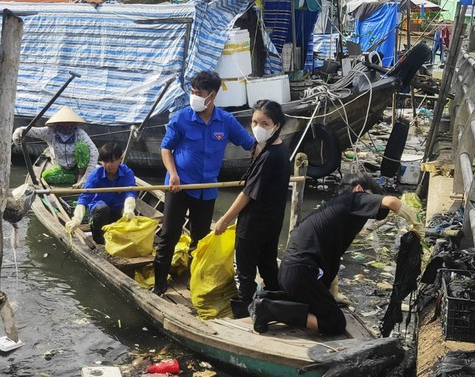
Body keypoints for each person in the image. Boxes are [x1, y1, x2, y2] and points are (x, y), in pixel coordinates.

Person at [250, 173, 424, 335]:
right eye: (370, 196)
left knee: (318, 306)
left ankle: (267, 297)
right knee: (334, 322)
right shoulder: (355, 198)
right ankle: (269, 309)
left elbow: (328, 253)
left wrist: (333, 293)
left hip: (293, 272)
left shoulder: (339, 208)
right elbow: (392, 202)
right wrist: (415, 223)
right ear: (358, 189)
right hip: (301, 273)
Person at [152, 71, 258, 296]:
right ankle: (159, 285)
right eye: (192, 92)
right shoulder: (181, 118)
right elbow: (166, 149)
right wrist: (173, 174)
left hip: (207, 190)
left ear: (212, 96)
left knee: (199, 240)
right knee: (168, 235)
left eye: (198, 93)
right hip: (179, 186)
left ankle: (195, 284)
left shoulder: (225, 121)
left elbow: (250, 144)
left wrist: (272, 155)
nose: (194, 97)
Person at [214, 100, 290, 318]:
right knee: (268, 267)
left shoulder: (269, 156)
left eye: (264, 123)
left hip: (254, 223)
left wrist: (224, 220)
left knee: (245, 272)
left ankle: (246, 313)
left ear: (276, 125)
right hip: (273, 220)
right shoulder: (281, 149)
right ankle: (279, 306)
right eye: (254, 122)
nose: (257, 127)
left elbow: (247, 193)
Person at [65, 142, 137, 245]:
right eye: (105, 161)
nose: (108, 165)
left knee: (129, 212)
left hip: (118, 208)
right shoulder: (96, 174)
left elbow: (130, 193)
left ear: (120, 159)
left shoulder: (127, 173)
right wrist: (77, 219)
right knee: (103, 209)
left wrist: (129, 209)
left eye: (112, 161)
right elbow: (85, 197)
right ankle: (99, 238)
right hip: (100, 210)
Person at [12, 106, 99, 188]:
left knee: (81, 147)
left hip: (79, 166)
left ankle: (80, 175)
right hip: (62, 167)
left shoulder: (80, 133)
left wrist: (85, 178)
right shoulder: (50, 132)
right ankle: (74, 178)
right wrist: (18, 131)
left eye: (69, 123)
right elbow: (30, 130)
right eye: (63, 123)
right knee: (46, 176)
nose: (66, 125)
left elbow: (94, 152)